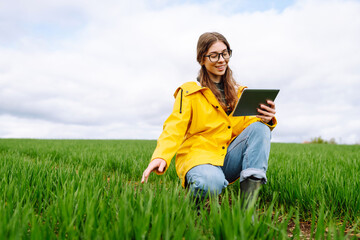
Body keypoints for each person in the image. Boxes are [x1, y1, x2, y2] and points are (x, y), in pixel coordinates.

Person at [141, 32, 277, 202]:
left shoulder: (239, 93)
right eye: (213, 56)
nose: (221, 60)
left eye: (225, 53)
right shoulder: (190, 91)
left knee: (260, 128)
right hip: (199, 157)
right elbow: (174, 127)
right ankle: (193, 205)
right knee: (211, 183)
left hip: (226, 157)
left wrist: (265, 119)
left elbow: (247, 129)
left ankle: (246, 210)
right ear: (202, 59)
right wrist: (160, 156)